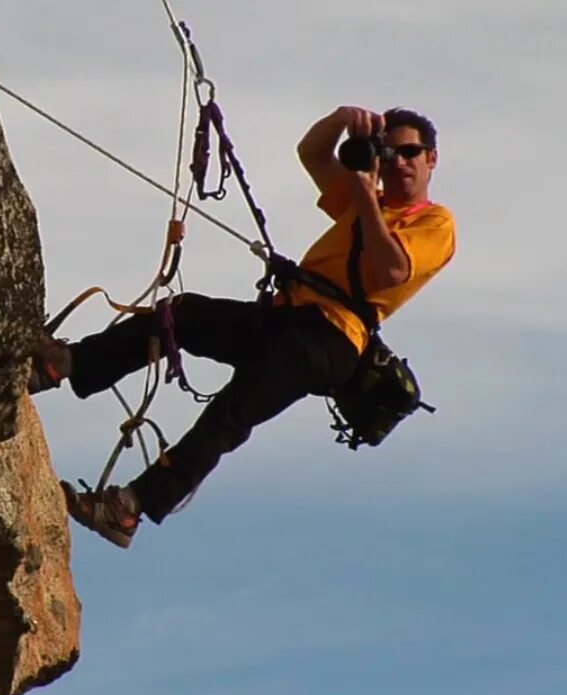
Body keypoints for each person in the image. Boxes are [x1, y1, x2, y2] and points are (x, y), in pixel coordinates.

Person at [28, 106, 457, 549]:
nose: (399, 162)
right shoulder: (368, 202)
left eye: (410, 152)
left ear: (432, 159)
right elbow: (312, 153)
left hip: (331, 340)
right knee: (183, 315)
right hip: (286, 317)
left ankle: (129, 508)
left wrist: (366, 193)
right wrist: (342, 120)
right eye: (389, 154)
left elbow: (391, 271)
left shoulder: (435, 222)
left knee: (232, 413)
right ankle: (68, 364)